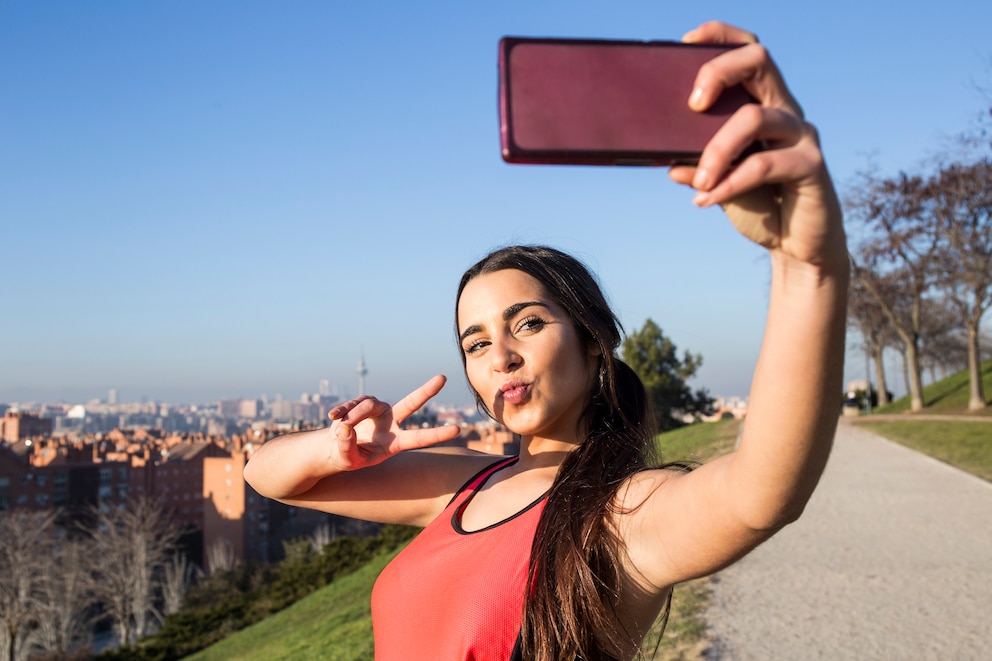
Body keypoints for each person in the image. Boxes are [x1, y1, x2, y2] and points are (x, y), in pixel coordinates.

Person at [243, 20, 848, 661]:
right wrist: (337, 449)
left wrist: (808, 265)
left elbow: (760, 496)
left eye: (528, 323)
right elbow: (267, 476)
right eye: (475, 344)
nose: (499, 355)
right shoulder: (467, 488)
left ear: (592, 342)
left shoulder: (619, 515)